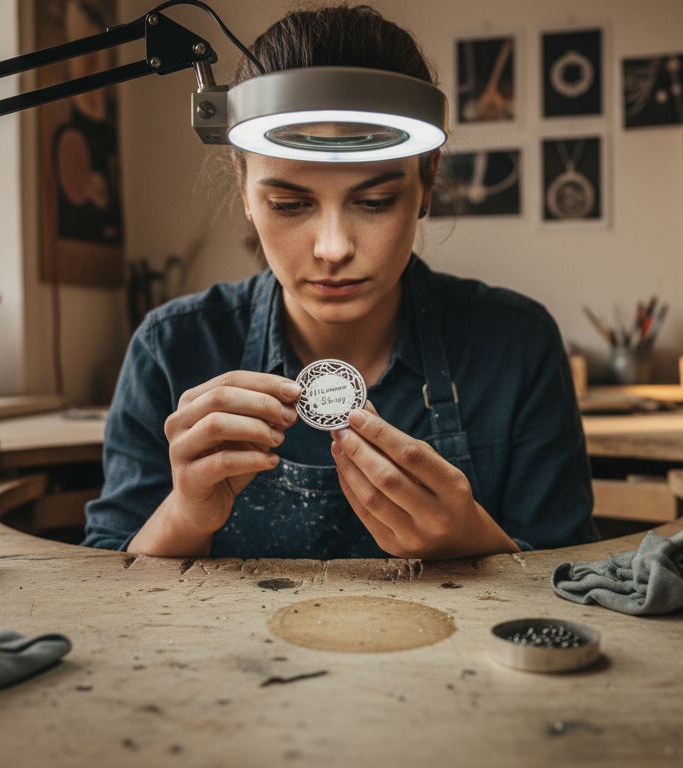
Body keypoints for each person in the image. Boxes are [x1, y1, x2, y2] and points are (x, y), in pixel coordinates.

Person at [83, 3, 597, 559]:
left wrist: (474, 544)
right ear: (244, 191)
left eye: (374, 202)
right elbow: (112, 589)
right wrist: (184, 515)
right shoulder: (171, 348)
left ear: (426, 182)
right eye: (289, 203)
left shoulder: (516, 346)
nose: (333, 248)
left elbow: (573, 587)